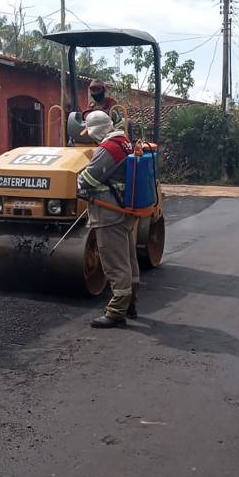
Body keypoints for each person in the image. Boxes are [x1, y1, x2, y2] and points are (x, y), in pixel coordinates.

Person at [77, 111, 139, 329]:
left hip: (109, 213)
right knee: (128, 261)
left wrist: (78, 180)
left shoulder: (107, 149)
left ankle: (116, 312)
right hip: (124, 211)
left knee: (114, 264)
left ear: (95, 130)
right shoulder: (124, 142)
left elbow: (90, 178)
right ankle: (130, 303)